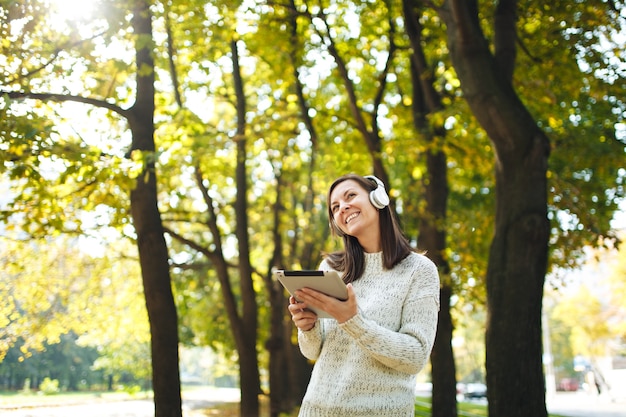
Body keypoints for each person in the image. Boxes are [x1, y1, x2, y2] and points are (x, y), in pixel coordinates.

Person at [288, 173, 440, 417]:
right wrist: (307, 328)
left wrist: (353, 321)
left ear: (378, 199)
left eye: (350, 196)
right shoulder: (330, 268)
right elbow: (312, 351)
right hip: (317, 410)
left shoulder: (419, 270)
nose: (343, 207)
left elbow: (415, 356)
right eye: (335, 207)